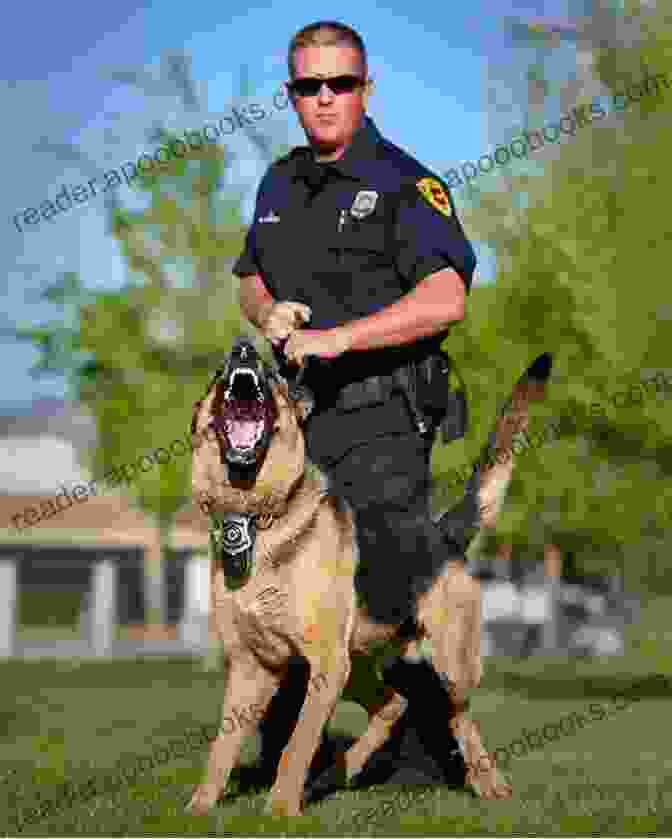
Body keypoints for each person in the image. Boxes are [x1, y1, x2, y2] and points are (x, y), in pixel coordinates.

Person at [233, 20, 480, 785]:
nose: (325, 98)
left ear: (366, 89)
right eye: (310, 86)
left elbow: (447, 299)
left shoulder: (406, 183)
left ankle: (414, 759)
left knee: (379, 597)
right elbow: (250, 276)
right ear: (292, 95)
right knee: (277, 586)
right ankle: (289, 766)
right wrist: (265, 311)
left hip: (384, 416)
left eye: (341, 83)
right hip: (300, 426)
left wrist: (342, 340)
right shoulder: (278, 182)